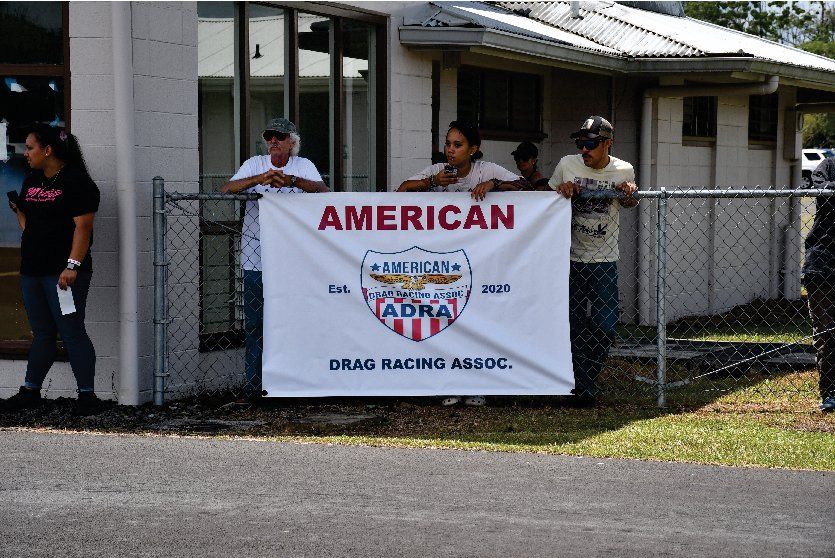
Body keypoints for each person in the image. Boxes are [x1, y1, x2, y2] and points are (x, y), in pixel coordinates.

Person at [398, 120, 523, 406]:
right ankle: (452, 383)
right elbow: (400, 193)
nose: (451, 151)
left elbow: (525, 185)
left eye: (458, 145)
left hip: (481, 261)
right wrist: (432, 183)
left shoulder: (486, 169)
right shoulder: (436, 172)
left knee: (479, 322)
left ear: (473, 149)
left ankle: (479, 384)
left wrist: (493, 185)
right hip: (443, 264)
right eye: (448, 144)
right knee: (448, 322)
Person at [220, 118, 328, 400]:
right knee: (255, 323)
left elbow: (324, 193)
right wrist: (260, 180)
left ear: (292, 141)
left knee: (295, 320)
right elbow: (225, 190)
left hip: (294, 258)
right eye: (269, 136)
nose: (273, 141)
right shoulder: (255, 163)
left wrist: (292, 182)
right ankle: (255, 385)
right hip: (257, 257)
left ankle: (296, 383)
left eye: (280, 136)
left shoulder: (302, 165)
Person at [2, 124, 101, 413]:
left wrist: (72, 266)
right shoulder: (32, 180)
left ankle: (87, 396)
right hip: (32, 269)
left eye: (30, 147)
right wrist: (20, 210)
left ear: (48, 150)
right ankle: (30, 391)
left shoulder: (77, 182)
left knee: (71, 330)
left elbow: (83, 228)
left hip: (63, 273)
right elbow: (29, 227)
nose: (26, 153)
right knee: (42, 332)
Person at [550, 116, 638, 407]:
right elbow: (544, 204)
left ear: (607, 144)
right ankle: (583, 390)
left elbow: (629, 203)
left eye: (590, 143)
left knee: (605, 327)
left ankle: (583, 380)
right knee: (572, 327)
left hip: (604, 261)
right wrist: (560, 192)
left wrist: (629, 195)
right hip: (570, 259)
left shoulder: (623, 169)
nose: (583, 149)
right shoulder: (567, 165)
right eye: (580, 143)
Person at [802, 155, 835, 412]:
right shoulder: (828, 165)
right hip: (822, 264)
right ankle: (830, 393)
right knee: (826, 334)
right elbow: (820, 186)